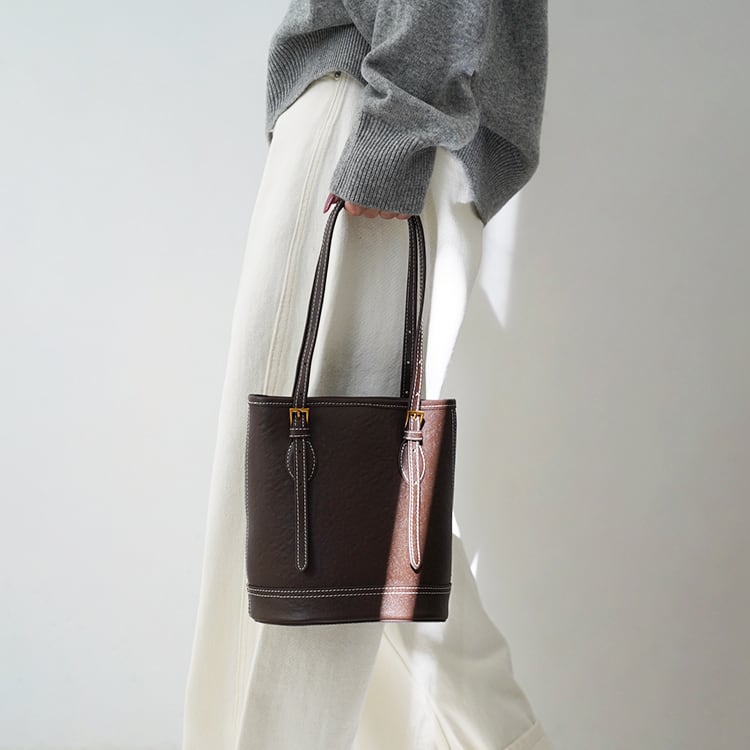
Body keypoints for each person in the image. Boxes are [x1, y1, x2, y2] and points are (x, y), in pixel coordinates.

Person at [182, 2, 550, 748]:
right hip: (394, 118)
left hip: (374, 118)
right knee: (363, 520)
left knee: (299, 534)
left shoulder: (389, 130)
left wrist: (395, 133)